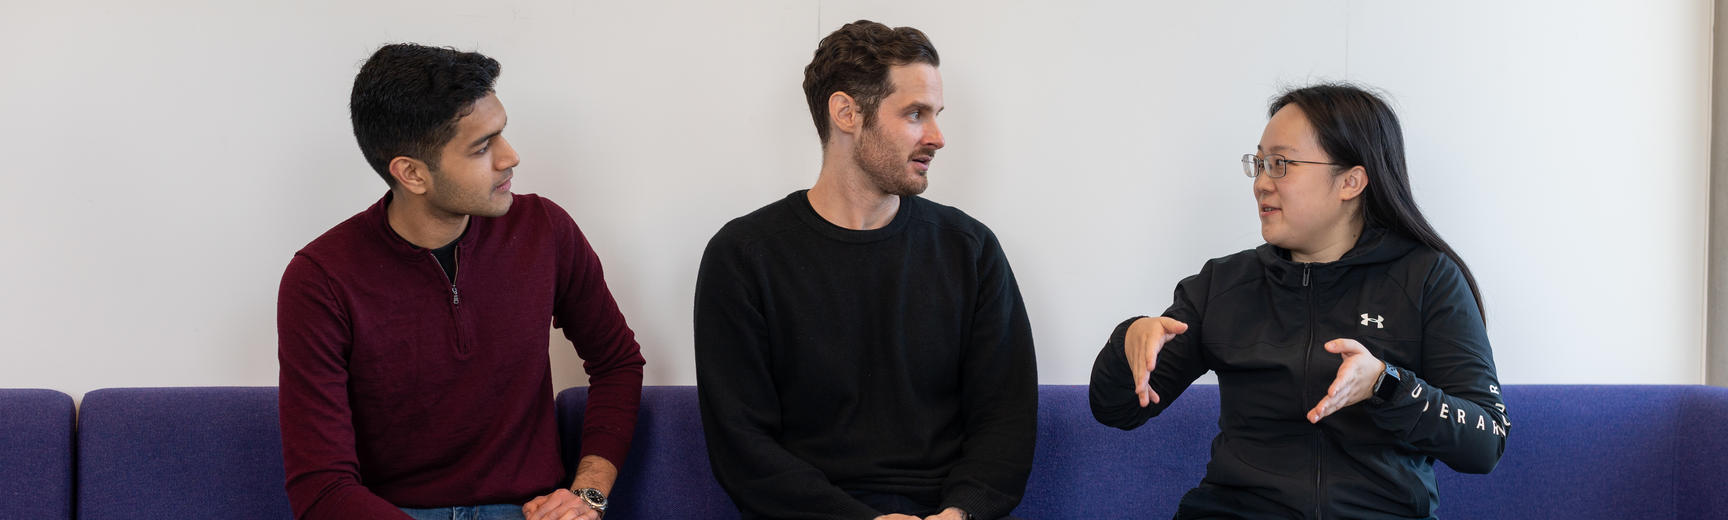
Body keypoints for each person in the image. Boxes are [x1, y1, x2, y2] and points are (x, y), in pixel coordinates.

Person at [1088, 83, 1508, 519]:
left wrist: (1386, 385)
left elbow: (1486, 442)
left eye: (1281, 164)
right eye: (1260, 164)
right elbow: (1115, 408)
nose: (1261, 184)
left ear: (1350, 181)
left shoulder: (1427, 278)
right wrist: (1131, 339)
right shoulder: (1225, 283)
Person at [277, 43, 645, 520]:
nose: (510, 157)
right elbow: (321, 489)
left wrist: (588, 494)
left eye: (502, 134)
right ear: (411, 173)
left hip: (528, 511)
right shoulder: (320, 279)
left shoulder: (545, 230)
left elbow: (617, 362)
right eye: (482, 146)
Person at [693, 20, 1037, 520]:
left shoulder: (970, 250)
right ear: (847, 112)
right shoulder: (744, 256)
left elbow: (1007, 420)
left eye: (936, 115)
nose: (938, 137)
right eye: (916, 114)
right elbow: (742, 444)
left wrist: (962, 512)